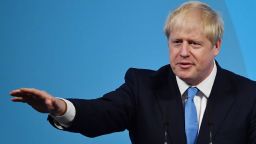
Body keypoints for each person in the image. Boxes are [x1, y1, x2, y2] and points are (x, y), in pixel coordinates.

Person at [9, 1, 256, 144]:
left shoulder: (249, 95)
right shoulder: (142, 86)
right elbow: (101, 113)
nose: (182, 52)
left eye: (194, 43)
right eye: (176, 42)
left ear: (216, 46)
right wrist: (58, 107)